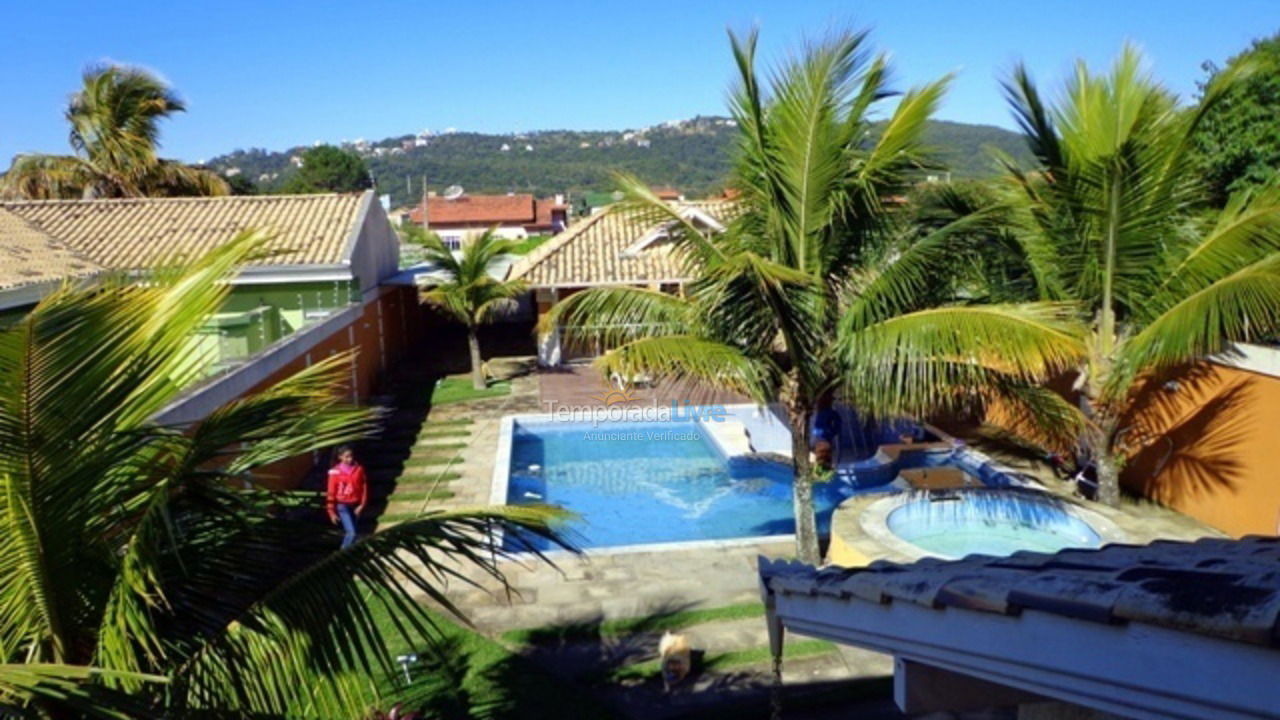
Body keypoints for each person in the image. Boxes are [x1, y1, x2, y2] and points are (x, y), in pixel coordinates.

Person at [326, 445, 367, 549]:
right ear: (340, 457)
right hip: (342, 505)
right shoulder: (335, 472)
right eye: (347, 457)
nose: (350, 459)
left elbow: (364, 487)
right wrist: (331, 511)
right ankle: (341, 555)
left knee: (355, 533)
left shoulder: (358, 469)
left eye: (351, 456)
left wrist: (362, 504)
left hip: (355, 504)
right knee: (351, 533)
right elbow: (331, 492)